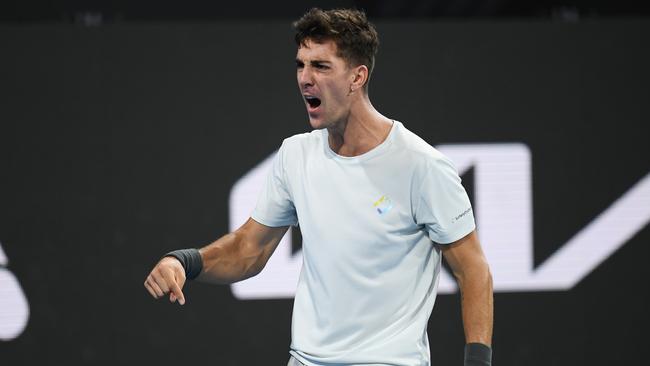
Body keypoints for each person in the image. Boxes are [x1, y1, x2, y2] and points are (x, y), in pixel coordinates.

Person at [144, 8, 493, 366]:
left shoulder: (422, 166)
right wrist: (185, 262)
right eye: (301, 64)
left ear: (358, 77)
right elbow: (249, 249)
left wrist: (478, 361)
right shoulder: (296, 155)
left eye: (321, 66)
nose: (305, 78)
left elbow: (473, 270)